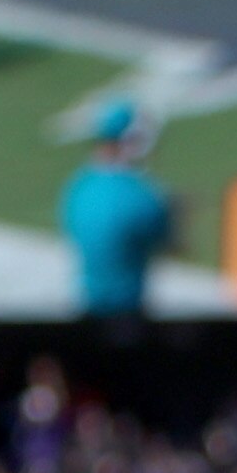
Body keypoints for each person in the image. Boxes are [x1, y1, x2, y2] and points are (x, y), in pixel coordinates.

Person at [58, 101, 177, 316]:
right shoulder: (141, 196)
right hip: (128, 309)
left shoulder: (77, 188)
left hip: (87, 305)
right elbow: (172, 244)